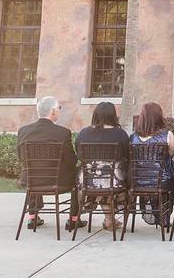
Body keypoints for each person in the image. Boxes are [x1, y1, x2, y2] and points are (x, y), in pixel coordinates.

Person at [16, 96, 86, 232]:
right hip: (57, 181)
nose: (60, 111)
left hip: (30, 179)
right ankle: (73, 219)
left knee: (34, 172)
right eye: (59, 108)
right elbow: (71, 161)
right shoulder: (62, 133)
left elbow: (21, 158)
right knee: (78, 173)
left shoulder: (23, 131)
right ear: (53, 112)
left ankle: (32, 216)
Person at [76, 101, 130, 231]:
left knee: (101, 181)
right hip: (114, 181)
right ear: (113, 116)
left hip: (88, 181)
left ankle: (109, 219)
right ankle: (110, 219)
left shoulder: (83, 133)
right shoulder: (120, 134)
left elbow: (79, 155)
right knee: (115, 180)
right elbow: (128, 155)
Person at [130, 101, 174, 227]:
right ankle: (164, 215)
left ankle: (155, 209)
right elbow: (171, 155)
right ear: (159, 117)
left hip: (139, 181)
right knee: (173, 170)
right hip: (162, 180)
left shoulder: (133, 138)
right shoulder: (168, 135)